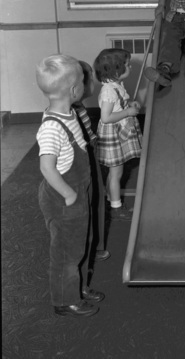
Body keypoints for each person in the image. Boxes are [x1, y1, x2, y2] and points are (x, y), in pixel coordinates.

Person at [36, 54, 104, 318]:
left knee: (81, 243)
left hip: (78, 190)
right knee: (66, 251)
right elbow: (46, 167)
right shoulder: (52, 127)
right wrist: (68, 194)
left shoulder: (71, 113)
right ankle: (65, 300)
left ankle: (78, 287)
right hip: (65, 196)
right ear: (75, 90)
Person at [93, 48, 142, 220]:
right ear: (115, 70)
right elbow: (106, 118)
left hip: (120, 129)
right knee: (116, 173)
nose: (131, 67)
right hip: (113, 132)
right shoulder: (108, 91)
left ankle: (109, 199)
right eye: (127, 65)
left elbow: (119, 104)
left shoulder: (116, 85)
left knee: (115, 172)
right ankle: (116, 207)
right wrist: (128, 112)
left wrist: (130, 103)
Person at [73, 61, 110, 264]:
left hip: (89, 154)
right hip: (83, 161)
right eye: (91, 79)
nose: (94, 83)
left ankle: (95, 245)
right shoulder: (73, 110)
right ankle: (90, 249)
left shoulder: (78, 106)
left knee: (96, 198)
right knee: (91, 201)